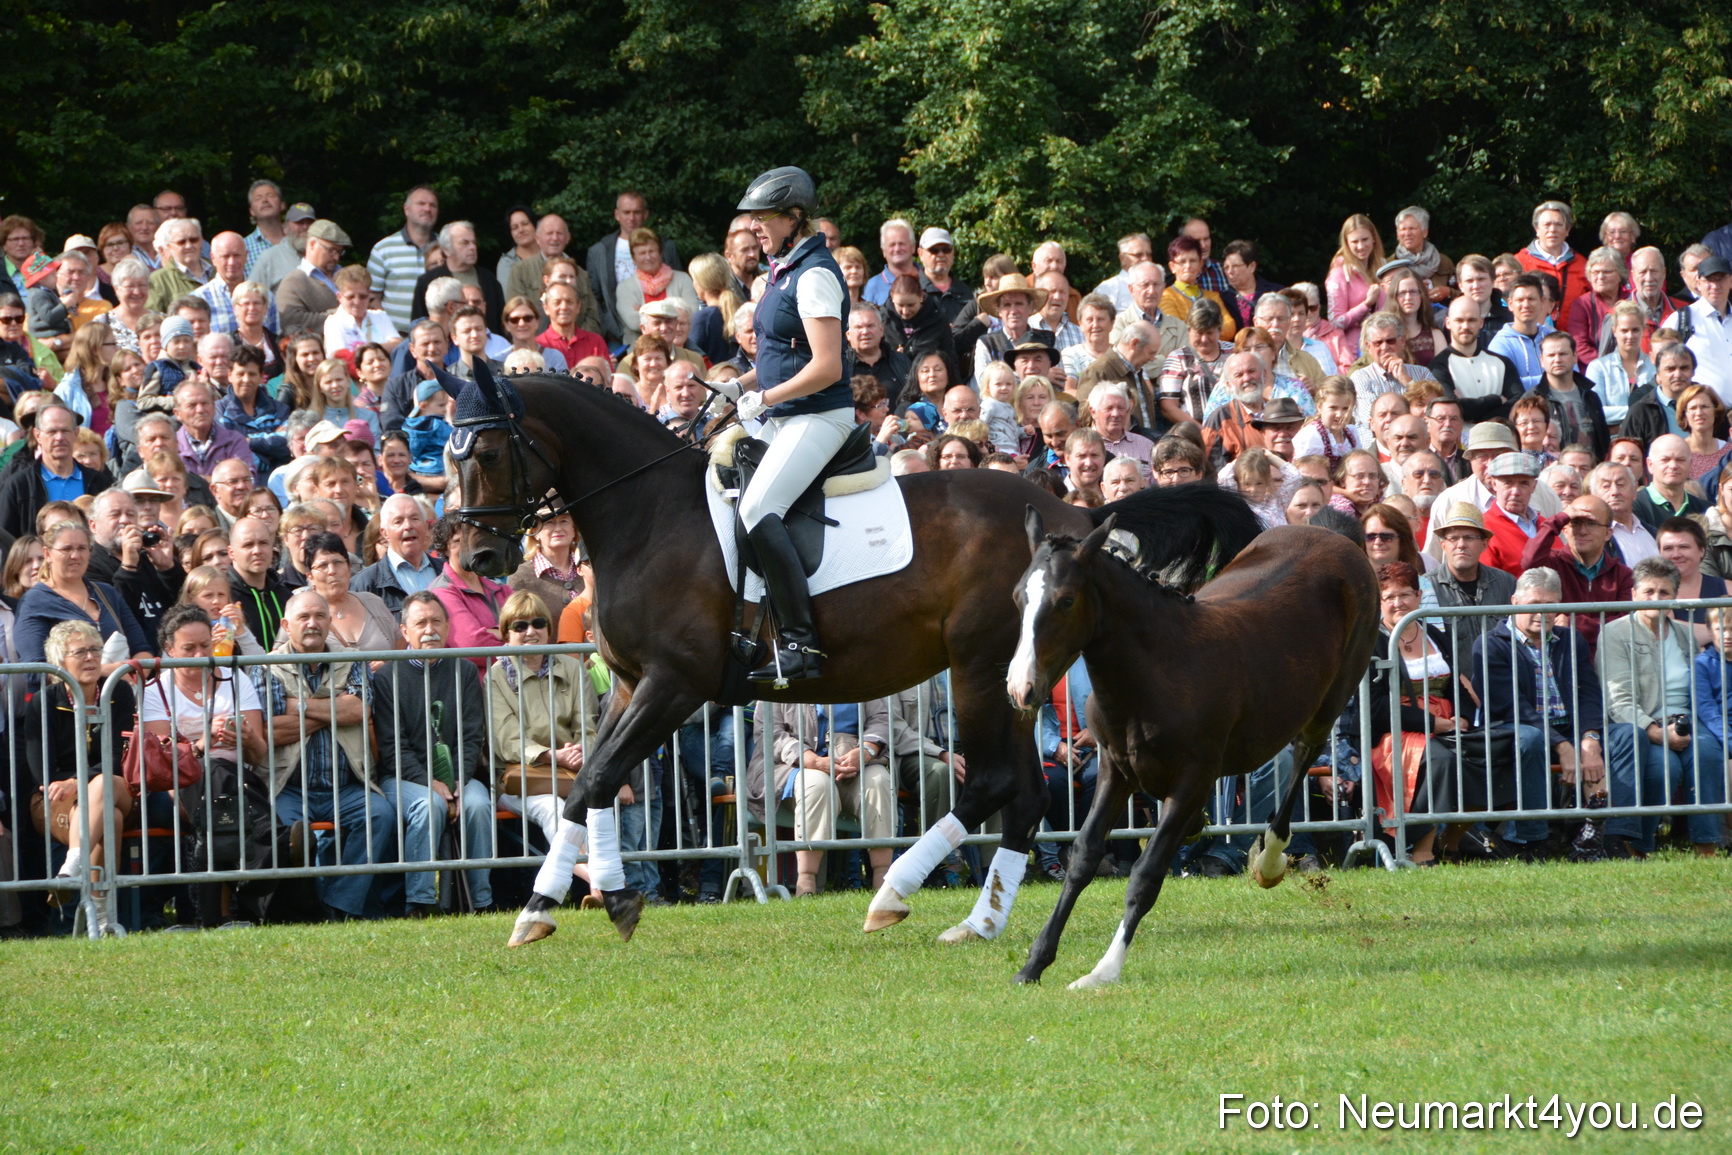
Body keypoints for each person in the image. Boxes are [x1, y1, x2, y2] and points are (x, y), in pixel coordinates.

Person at [707, 168, 853, 684]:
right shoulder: (781, 270)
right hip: (784, 414)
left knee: (757, 504)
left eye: (763, 219)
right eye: (751, 220)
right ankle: (747, 626)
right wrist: (739, 384)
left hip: (819, 417)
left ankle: (800, 643)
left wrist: (762, 397)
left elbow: (827, 366)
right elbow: (780, 355)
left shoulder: (812, 274)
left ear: (793, 218)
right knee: (720, 484)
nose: (754, 229)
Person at [256, 588, 395, 919]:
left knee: (380, 815)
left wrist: (299, 707)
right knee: (284, 832)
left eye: (320, 616)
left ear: (330, 622)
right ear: (286, 625)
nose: (312, 623)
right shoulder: (267, 667)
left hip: (347, 786)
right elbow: (270, 730)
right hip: (288, 786)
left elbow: (359, 710)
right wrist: (334, 710)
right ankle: (305, 907)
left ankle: (338, 905)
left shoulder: (351, 661)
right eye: (303, 617)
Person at [145, 603, 271, 926]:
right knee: (216, 777)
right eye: (190, 648)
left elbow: (258, 754)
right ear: (170, 650)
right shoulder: (155, 689)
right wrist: (204, 743)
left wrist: (244, 737)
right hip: (178, 787)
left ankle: (215, 914)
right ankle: (271, 845)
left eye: (206, 645)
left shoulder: (233, 677)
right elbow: (163, 763)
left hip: (236, 780)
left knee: (221, 782)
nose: (201, 654)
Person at [372, 592, 494, 916]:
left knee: (479, 805)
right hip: (402, 778)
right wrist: (431, 783)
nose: (430, 630)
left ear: (448, 625)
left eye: (437, 621)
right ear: (404, 630)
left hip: (457, 775)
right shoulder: (387, 677)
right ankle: (421, 903)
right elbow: (392, 746)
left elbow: (472, 737)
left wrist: (456, 782)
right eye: (421, 622)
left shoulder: (465, 671)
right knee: (428, 805)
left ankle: (481, 902)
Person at [1597, 557, 1726, 858]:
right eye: (1648, 591)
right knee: (1662, 767)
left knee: (1708, 753)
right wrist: (1657, 732)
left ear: (1675, 596)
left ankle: (1706, 845)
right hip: (1645, 724)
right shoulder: (1615, 634)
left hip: (1689, 720)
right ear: (1634, 594)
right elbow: (1618, 700)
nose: (1656, 598)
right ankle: (1639, 846)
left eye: (1664, 592)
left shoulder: (1684, 635)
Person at [1469, 567, 1605, 846]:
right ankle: (1530, 840)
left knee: (1627, 737)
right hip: (1512, 727)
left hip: (1567, 726)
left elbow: (1589, 694)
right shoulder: (1490, 644)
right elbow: (1511, 706)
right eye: (1533, 605)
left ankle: (1614, 837)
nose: (1541, 613)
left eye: (1550, 605)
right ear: (1514, 603)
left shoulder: (1570, 639)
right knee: (1531, 739)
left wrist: (1589, 738)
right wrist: (1563, 746)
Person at [1367, 561, 1489, 866]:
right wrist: (1433, 723)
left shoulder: (1434, 632)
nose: (1398, 603)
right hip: (1397, 732)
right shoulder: (1372, 641)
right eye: (1389, 597)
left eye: (1405, 594)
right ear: (1378, 602)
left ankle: (1452, 841)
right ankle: (1421, 850)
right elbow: (1377, 708)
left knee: (1489, 755)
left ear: (1420, 597)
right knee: (1443, 760)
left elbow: (1457, 686)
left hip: (1447, 725)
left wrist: (1462, 716)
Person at [23, 620, 135, 934]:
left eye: (95, 649)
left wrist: (79, 781)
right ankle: (100, 919)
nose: (90, 657)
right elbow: (40, 770)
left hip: (114, 784)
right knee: (108, 819)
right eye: (80, 651)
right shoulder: (45, 701)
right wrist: (74, 785)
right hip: (56, 796)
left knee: (102, 785)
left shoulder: (119, 691)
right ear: (60, 662)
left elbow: (117, 757)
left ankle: (72, 867)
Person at [488, 590, 602, 897]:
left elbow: (588, 725)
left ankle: (600, 885)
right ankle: (599, 882)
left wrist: (579, 752)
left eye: (538, 623)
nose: (530, 632)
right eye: (519, 626)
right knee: (553, 808)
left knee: (598, 805)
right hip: (519, 780)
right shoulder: (496, 675)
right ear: (506, 634)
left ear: (549, 629)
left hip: (571, 773)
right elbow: (507, 739)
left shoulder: (573, 668)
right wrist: (552, 756)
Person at [767, 697, 895, 897]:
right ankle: (806, 881)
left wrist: (867, 750)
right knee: (817, 785)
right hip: (797, 764)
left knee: (879, 781)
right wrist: (812, 759)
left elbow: (881, 719)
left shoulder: (860, 673)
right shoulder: (781, 676)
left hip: (857, 764)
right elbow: (770, 731)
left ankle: (884, 882)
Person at [14, 520, 153, 667]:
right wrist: (101, 672)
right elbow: (34, 670)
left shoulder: (107, 593)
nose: (75, 555)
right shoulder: (34, 602)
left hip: (122, 688)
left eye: (82, 548)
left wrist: (131, 675)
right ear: (47, 554)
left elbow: (142, 649)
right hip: (65, 690)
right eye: (66, 549)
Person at [1419, 503, 1517, 654]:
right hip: (1453, 677)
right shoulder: (1426, 587)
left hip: (1501, 676)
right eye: (1454, 538)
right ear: (1443, 545)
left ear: (1484, 544)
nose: (1461, 545)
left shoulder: (1506, 583)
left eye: (1469, 538)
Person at [1531, 330, 1610, 461]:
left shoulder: (1591, 397)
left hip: (1589, 472)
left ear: (1575, 357)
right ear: (1542, 360)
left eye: (1563, 354)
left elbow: (1603, 442)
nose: (1557, 359)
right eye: (1551, 355)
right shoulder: (1533, 400)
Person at [1655, 516, 1726, 650]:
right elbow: (1666, 634)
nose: (1676, 554)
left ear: (1702, 550)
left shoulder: (1727, 588)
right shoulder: (1654, 593)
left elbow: (1676, 632)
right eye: (1668, 548)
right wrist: (1723, 630)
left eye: (1684, 547)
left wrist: (1679, 627)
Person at [227, 513, 292, 650]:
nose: (257, 551)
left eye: (263, 543)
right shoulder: (223, 596)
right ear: (231, 552)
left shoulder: (285, 596)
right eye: (248, 545)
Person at [1517, 200, 1590, 323]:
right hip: (1531, 337)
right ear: (1537, 229)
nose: (1552, 229)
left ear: (1567, 230)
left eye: (1558, 224)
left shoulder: (1583, 265)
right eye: (1547, 224)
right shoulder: (1519, 262)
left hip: (1574, 338)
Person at [275, 220, 349, 336]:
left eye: (340, 251)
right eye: (331, 250)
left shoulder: (347, 274)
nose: (336, 257)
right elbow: (290, 320)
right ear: (312, 244)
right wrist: (339, 316)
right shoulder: (293, 281)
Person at [1326, 214, 1386, 358]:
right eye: (1354, 242)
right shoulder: (1339, 273)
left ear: (1373, 238)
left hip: (1385, 345)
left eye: (1365, 239)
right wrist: (1366, 304)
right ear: (1346, 243)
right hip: (1354, 353)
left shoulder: (1383, 267)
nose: (1361, 246)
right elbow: (1335, 322)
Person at [1587, 301, 1656, 425]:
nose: (1630, 336)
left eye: (1635, 330)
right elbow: (1595, 410)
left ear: (1643, 330)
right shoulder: (1598, 367)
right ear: (1614, 331)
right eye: (1624, 330)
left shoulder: (1655, 366)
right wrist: (1639, 411)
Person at [1479, 452, 1544, 575]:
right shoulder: (1483, 529)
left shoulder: (1545, 525)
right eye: (1507, 483)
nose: (1515, 491)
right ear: (1494, 484)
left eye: (1524, 483)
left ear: (1534, 486)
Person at [1622, 344, 1698, 447]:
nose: (1678, 374)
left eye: (1684, 368)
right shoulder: (1641, 411)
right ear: (1658, 374)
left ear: (1693, 372)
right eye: (1670, 369)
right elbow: (1627, 454)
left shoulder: (1708, 405)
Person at [508, 510, 582, 616]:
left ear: (574, 530)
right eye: (549, 522)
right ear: (535, 532)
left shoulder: (590, 571)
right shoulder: (520, 577)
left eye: (564, 521)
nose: (558, 529)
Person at [1567, 247, 1628, 368]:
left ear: (1621, 274)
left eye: (1606, 272)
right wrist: (1611, 366)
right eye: (1595, 272)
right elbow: (1579, 346)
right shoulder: (1582, 304)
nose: (1600, 277)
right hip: (1594, 372)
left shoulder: (1632, 300)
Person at [1633, 434, 1708, 531]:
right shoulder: (1633, 507)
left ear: (1690, 464)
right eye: (1665, 460)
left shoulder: (1706, 510)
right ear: (1650, 464)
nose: (1673, 465)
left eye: (1680, 460)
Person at [1683, 255, 1732, 399]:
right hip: (1705, 415)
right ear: (1699, 283)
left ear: (1730, 281)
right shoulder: (1683, 319)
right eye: (1709, 280)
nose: (1715, 286)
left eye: (1721, 279)